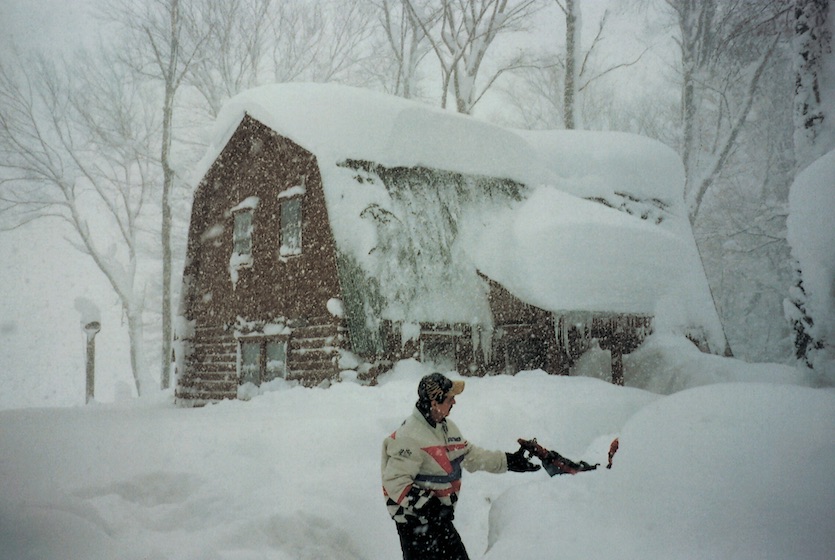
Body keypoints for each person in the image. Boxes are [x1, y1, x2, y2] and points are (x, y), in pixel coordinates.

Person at [381, 372, 540, 560]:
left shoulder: (446, 428)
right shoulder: (409, 437)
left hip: (439, 522)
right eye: (450, 399)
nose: (454, 402)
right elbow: (395, 483)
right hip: (415, 526)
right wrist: (432, 509)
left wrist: (509, 461)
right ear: (434, 403)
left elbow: (472, 456)